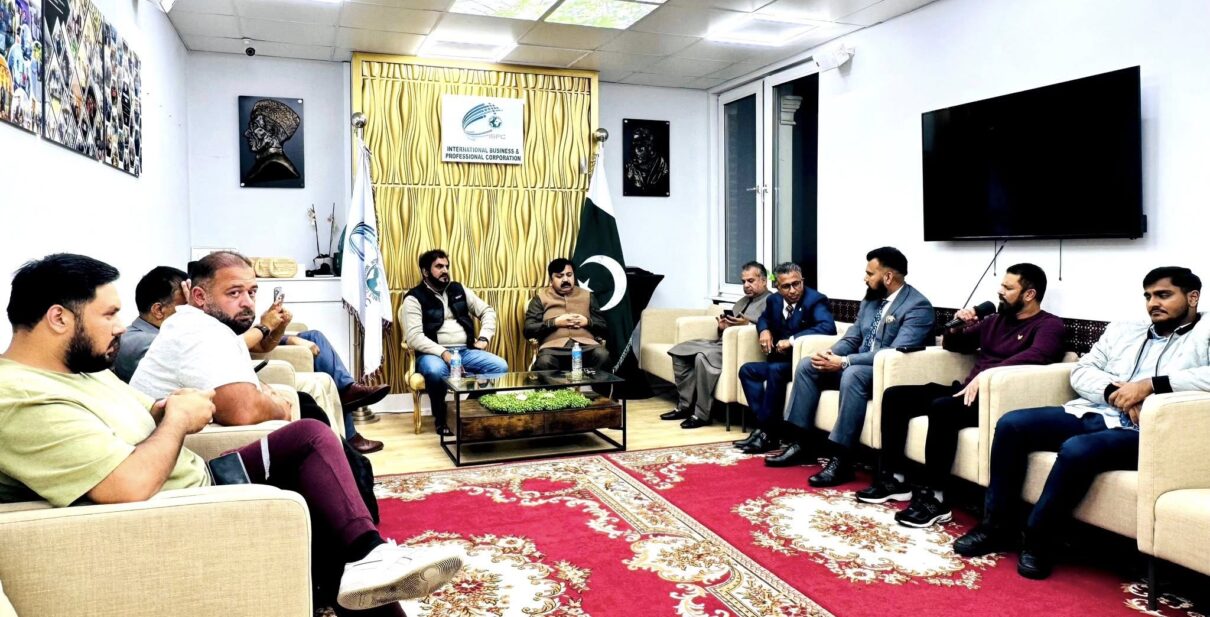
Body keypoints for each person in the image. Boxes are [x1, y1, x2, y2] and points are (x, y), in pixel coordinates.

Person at [0, 254, 462, 616]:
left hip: (193, 474)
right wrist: (178, 419)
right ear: (59, 318)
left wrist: (170, 406)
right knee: (326, 510)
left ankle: (369, 555)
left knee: (309, 438)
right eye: (110, 314)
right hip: (178, 505)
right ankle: (364, 559)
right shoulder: (20, 398)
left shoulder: (79, 371)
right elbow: (126, 486)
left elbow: (145, 410)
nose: (123, 326)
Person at [954, 266, 1210, 580]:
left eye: (1164, 295)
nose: (1153, 303)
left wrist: (1150, 387)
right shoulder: (1125, 330)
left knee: (1078, 449)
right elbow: (1082, 371)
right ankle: (996, 527)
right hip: (1096, 410)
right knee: (1012, 424)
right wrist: (1115, 393)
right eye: (1148, 296)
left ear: (1192, 297)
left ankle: (1038, 541)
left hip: (1146, 430)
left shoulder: (1205, 332)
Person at [856, 264, 1065, 528]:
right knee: (896, 396)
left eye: (1008, 287)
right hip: (967, 390)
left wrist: (987, 376)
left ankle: (936, 499)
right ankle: (894, 479)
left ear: (1029, 294)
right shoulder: (995, 320)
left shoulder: (1049, 325)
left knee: (943, 408)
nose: (1000, 291)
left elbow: (1038, 356)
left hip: (999, 399)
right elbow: (955, 345)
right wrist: (958, 326)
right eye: (1002, 285)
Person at [781, 247, 934, 486]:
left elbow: (895, 353)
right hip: (856, 366)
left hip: (888, 373)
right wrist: (830, 354)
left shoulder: (917, 306)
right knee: (808, 365)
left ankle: (842, 460)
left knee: (853, 374)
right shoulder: (871, 300)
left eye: (870, 274)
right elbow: (853, 338)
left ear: (888, 277)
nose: (865, 278)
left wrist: (845, 362)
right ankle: (802, 443)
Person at [131, 252, 332, 430]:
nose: (248, 302)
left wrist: (265, 390)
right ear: (199, 296)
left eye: (251, 292)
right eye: (234, 293)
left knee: (306, 405)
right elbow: (243, 411)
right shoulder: (198, 331)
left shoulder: (206, 325)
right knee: (310, 426)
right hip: (188, 445)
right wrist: (282, 409)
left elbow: (248, 360)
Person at [402, 249, 508, 436]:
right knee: (435, 371)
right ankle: (441, 418)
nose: (445, 270)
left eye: (446, 266)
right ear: (425, 272)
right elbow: (414, 337)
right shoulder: (413, 298)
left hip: (464, 352)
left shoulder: (458, 289)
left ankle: (465, 412)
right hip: (432, 354)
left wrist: (484, 338)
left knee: (499, 366)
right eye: (439, 267)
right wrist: (443, 353)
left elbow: (488, 311)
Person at [735, 263, 836, 454]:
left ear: (802, 281)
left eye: (796, 284)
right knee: (747, 370)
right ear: (777, 287)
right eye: (786, 286)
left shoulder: (815, 300)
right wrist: (764, 330)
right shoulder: (774, 300)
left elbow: (827, 327)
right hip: (779, 361)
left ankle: (767, 434)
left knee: (775, 370)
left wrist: (791, 341)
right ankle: (765, 428)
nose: (793, 290)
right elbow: (764, 318)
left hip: (801, 364)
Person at [663, 261, 772, 429]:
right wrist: (722, 327)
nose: (746, 285)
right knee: (680, 351)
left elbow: (770, 329)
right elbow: (730, 329)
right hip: (722, 343)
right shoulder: (742, 301)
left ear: (764, 281)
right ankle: (685, 406)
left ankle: (701, 415)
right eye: (743, 281)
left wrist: (747, 325)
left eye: (751, 281)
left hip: (738, 351)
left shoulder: (772, 301)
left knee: (702, 357)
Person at [523, 258, 610, 371]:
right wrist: (555, 322)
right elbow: (528, 329)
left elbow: (604, 328)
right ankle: (559, 384)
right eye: (559, 276)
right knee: (544, 362)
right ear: (551, 280)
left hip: (587, 347)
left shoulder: (588, 296)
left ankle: (595, 384)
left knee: (602, 355)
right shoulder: (540, 299)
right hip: (553, 349)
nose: (565, 279)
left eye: (569, 275)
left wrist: (587, 322)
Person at [113, 266, 188, 382]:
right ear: (158, 310)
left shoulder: (129, 335)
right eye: (186, 307)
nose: (192, 313)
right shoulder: (152, 342)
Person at [243, 98, 301, 183]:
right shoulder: (263, 162)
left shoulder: (274, 164)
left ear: (272, 132)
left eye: (255, 126)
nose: (246, 133)